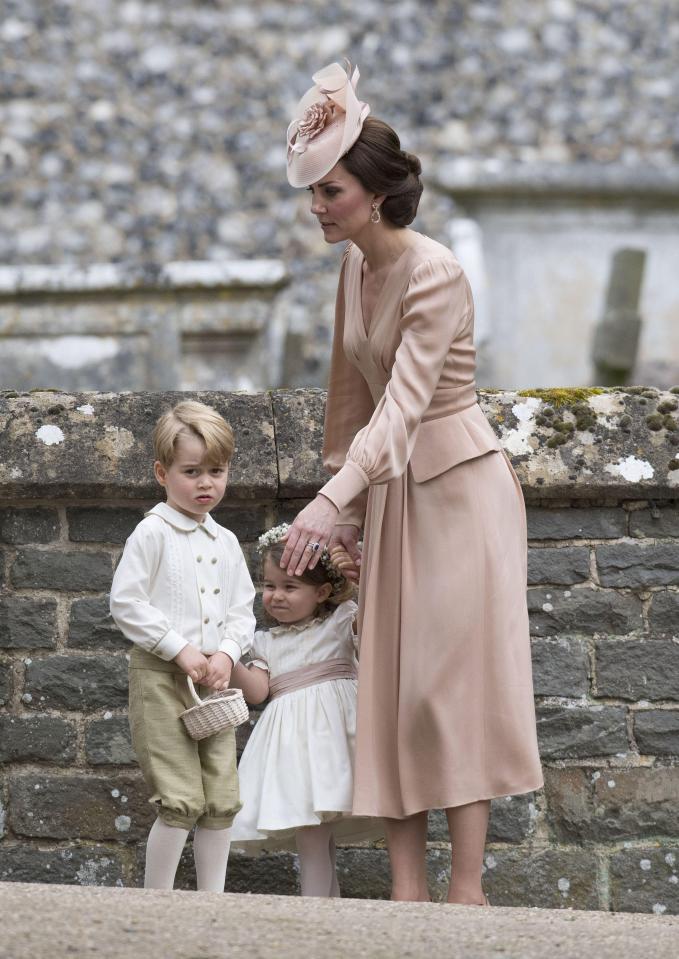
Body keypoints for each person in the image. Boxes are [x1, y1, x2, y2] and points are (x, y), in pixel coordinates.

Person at [280, 61, 544, 904]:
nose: (319, 206)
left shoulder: (433, 272)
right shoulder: (353, 269)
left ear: (378, 193)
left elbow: (402, 408)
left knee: (448, 688)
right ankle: (406, 892)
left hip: (459, 490)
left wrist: (328, 505)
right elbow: (348, 408)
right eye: (315, 192)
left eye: (332, 191)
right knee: (390, 681)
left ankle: (463, 888)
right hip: (391, 496)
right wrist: (348, 515)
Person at [109, 400, 256, 892]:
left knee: (219, 798)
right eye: (191, 471)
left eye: (216, 471)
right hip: (161, 678)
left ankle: (210, 904)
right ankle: (159, 902)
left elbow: (242, 609)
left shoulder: (227, 541)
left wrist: (226, 654)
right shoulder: (151, 533)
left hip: (214, 683)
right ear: (162, 472)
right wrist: (180, 649)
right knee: (179, 798)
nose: (205, 484)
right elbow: (126, 602)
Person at [229, 524, 378, 898]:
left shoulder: (342, 620)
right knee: (313, 834)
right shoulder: (264, 642)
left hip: (335, 743)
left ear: (322, 592)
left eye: (289, 587)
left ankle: (315, 913)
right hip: (294, 750)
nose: (276, 596)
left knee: (317, 834)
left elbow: (376, 626)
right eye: (269, 586)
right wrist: (226, 654)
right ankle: (327, 911)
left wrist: (362, 575)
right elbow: (258, 692)